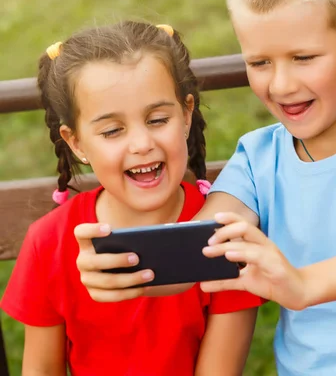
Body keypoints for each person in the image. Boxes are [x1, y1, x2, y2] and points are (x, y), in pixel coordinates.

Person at [74, 0, 336, 375]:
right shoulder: (258, 158)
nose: (281, 85)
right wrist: (125, 269)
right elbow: (200, 247)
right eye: (260, 63)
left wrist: (302, 284)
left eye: (304, 57)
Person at [1, 21, 263, 376]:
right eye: (112, 130)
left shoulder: (224, 233)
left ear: (186, 115)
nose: (141, 144)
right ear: (75, 141)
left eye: (157, 119)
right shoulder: (49, 242)